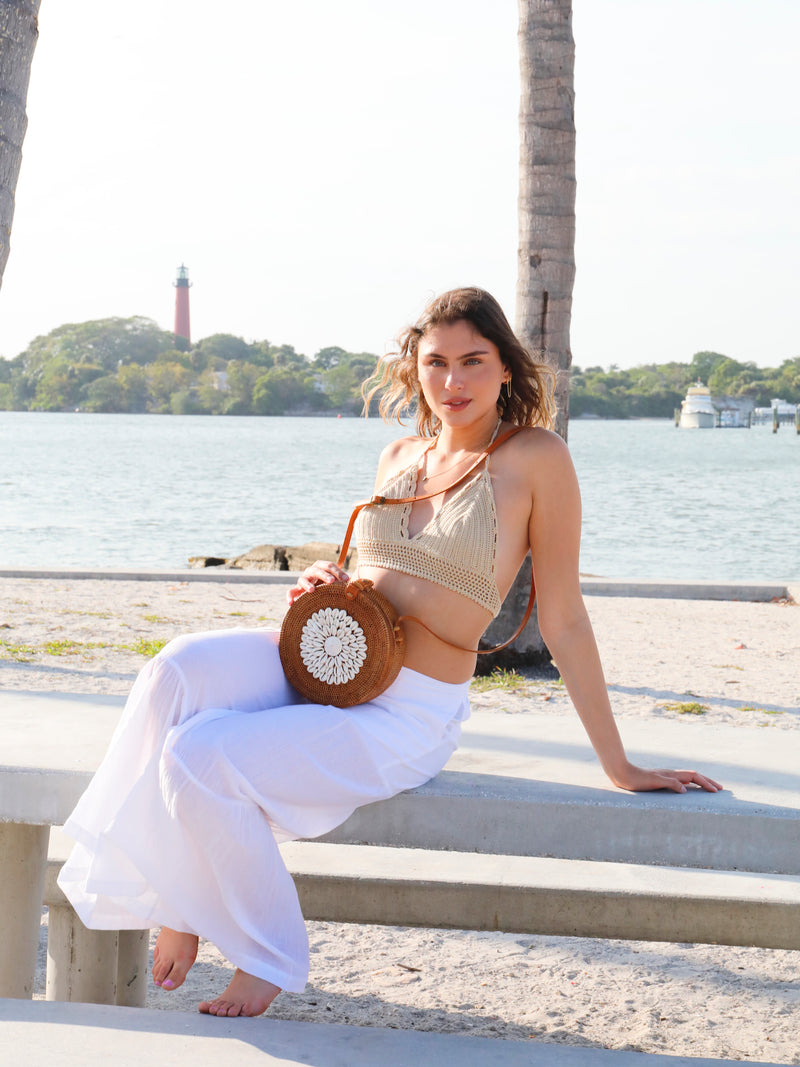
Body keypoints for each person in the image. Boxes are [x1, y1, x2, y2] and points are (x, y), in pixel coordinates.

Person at [58, 287, 721, 1019]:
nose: (453, 381)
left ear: (506, 369)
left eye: (473, 361)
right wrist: (332, 582)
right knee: (173, 670)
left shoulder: (536, 458)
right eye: (436, 363)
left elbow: (564, 617)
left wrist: (618, 763)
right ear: (415, 369)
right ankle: (177, 896)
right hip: (330, 662)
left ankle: (266, 953)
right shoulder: (399, 454)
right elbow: (379, 576)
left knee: (198, 756)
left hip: (407, 712)